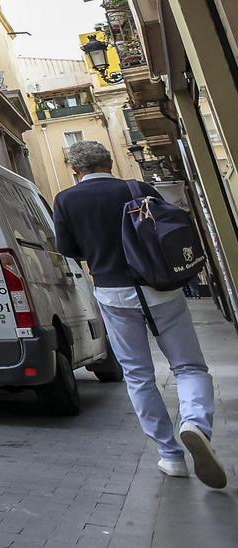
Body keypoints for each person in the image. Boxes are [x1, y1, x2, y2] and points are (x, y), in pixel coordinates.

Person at [53, 141, 227, 489]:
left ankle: (171, 456)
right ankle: (195, 423)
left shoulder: (66, 199)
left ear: (76, 170)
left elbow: (67, 249)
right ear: (111, 162)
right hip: (159, 287)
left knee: (138, 374)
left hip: (112, 290)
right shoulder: (137, 188)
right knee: (189, 365)